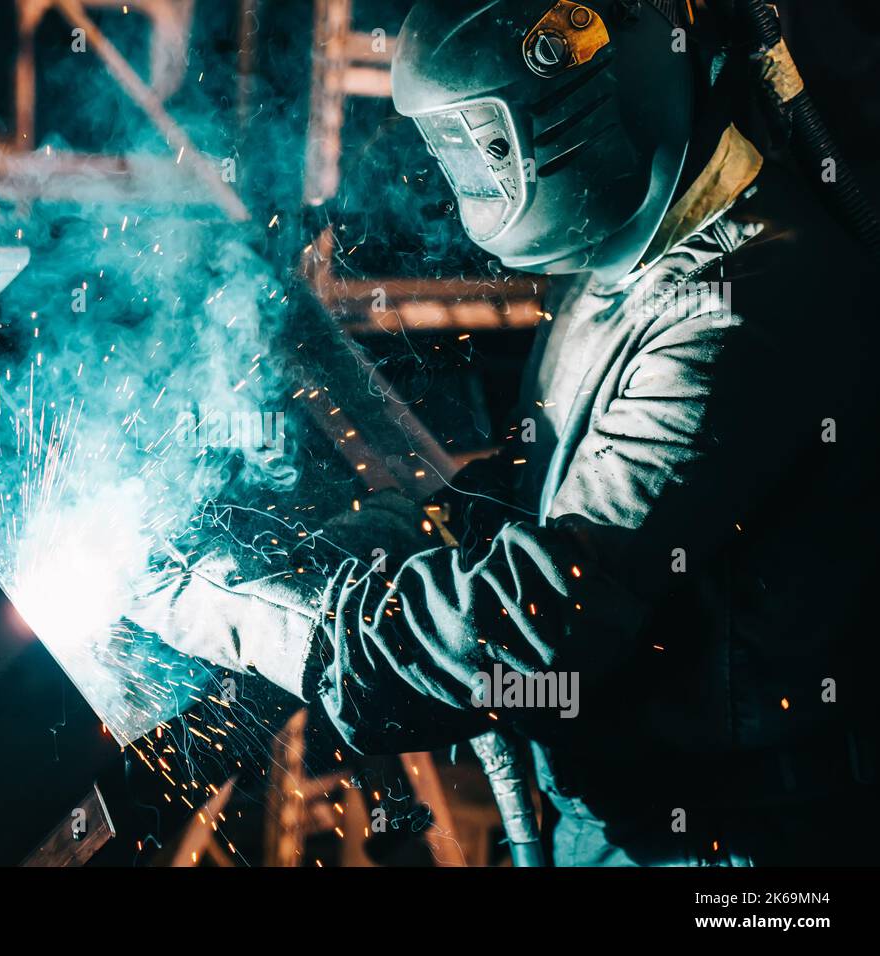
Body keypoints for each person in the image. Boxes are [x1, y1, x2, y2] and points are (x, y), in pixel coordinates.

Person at [130, 0, 880, 865]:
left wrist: (224, 606)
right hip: (630, 820)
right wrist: (384, 541)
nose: (470, 178)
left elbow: (535, 620)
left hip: (738, 850)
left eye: (480, 146)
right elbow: (555, 477)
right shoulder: (626, 257)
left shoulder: (740, 307)